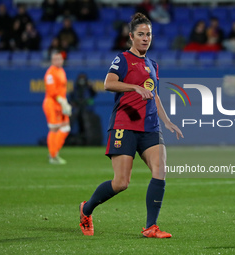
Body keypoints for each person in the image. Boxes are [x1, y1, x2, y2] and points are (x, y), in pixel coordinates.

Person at [79, 12, 183, 238]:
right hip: (124, 125)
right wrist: (134, 87)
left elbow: (154, 95)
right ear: (131, 37)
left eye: (149, 34)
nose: (146, 38)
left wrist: (167, 121)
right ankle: (86, 209)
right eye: (141, 34)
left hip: (150, 127)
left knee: (160, 170)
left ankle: (150, 227)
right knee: (121, 183)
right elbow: (108, 83)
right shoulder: (123, 59)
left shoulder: (153, 65)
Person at [43, 52, 72, 164]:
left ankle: (55, 153)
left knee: (65, 128)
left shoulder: (62, 71)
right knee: (54, 128)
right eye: (56, 59)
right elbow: (52, 92)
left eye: (60, 59)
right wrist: (62, 101)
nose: (58, 61)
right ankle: (53, 155)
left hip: (60, 103)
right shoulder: (50, 73)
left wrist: (64, 102)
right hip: (52, 103)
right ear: (52, 60)